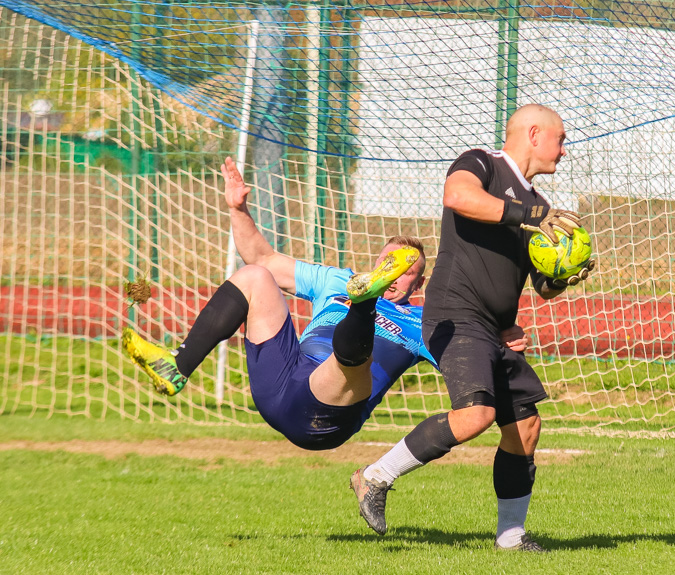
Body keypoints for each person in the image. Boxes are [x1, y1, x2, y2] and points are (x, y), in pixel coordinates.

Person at [122, 157, 529, 451]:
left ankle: (362, 307)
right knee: (255, 276)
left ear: (419, 282)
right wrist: (238, 209)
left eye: (404, 271)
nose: (396, 276)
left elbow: (469, 354)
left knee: (349, 360)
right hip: (282, 388)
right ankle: (178, 366)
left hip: (328, 414)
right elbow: (261, 256)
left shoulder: (427, 321)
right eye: (389, 265)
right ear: (376, 265)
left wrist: (501, 337)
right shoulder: (334, 280)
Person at [350, 104, 595, 550]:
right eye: (560, 138)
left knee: (525, 427)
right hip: (455, 315)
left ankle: (511, 537)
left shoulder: (539, 206)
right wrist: (530, 217)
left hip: (495, 329)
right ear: (533, 133)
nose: (564, 149)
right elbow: (458, 197)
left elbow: (540, 286)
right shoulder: (481, 162)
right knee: (476, 414)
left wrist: (564, 274)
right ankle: (374, 477)